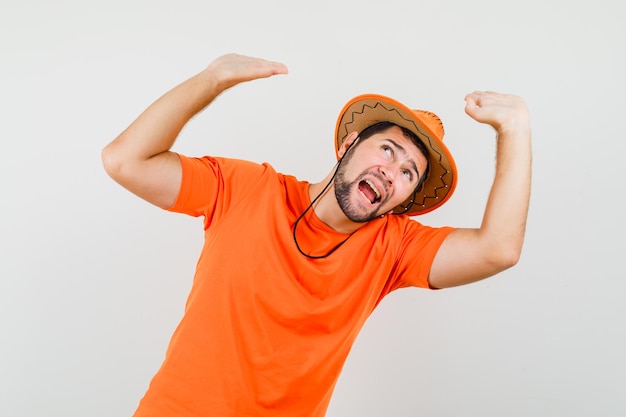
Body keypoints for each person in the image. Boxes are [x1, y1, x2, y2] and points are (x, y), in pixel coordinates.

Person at [101, 53, 531, 417]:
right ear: (346, 147)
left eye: (408, 173)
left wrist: (514, 128)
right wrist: (213, 78)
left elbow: (498, 250)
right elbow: (125, 160)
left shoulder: (394, 246)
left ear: (401, 199)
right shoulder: (247, 188)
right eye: (387, 149)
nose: (391, 171)